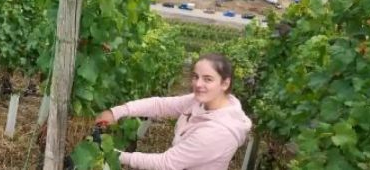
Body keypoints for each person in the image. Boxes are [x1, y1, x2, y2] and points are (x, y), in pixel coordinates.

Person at [94, 53, 252, 170]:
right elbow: (160, 105)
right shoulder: (200, 101)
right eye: (195, 77)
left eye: (208, 79)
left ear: (225, 83)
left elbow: (167, 163)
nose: (198, 84)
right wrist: (117, 112)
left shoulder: (218, 133)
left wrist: (113, 154)